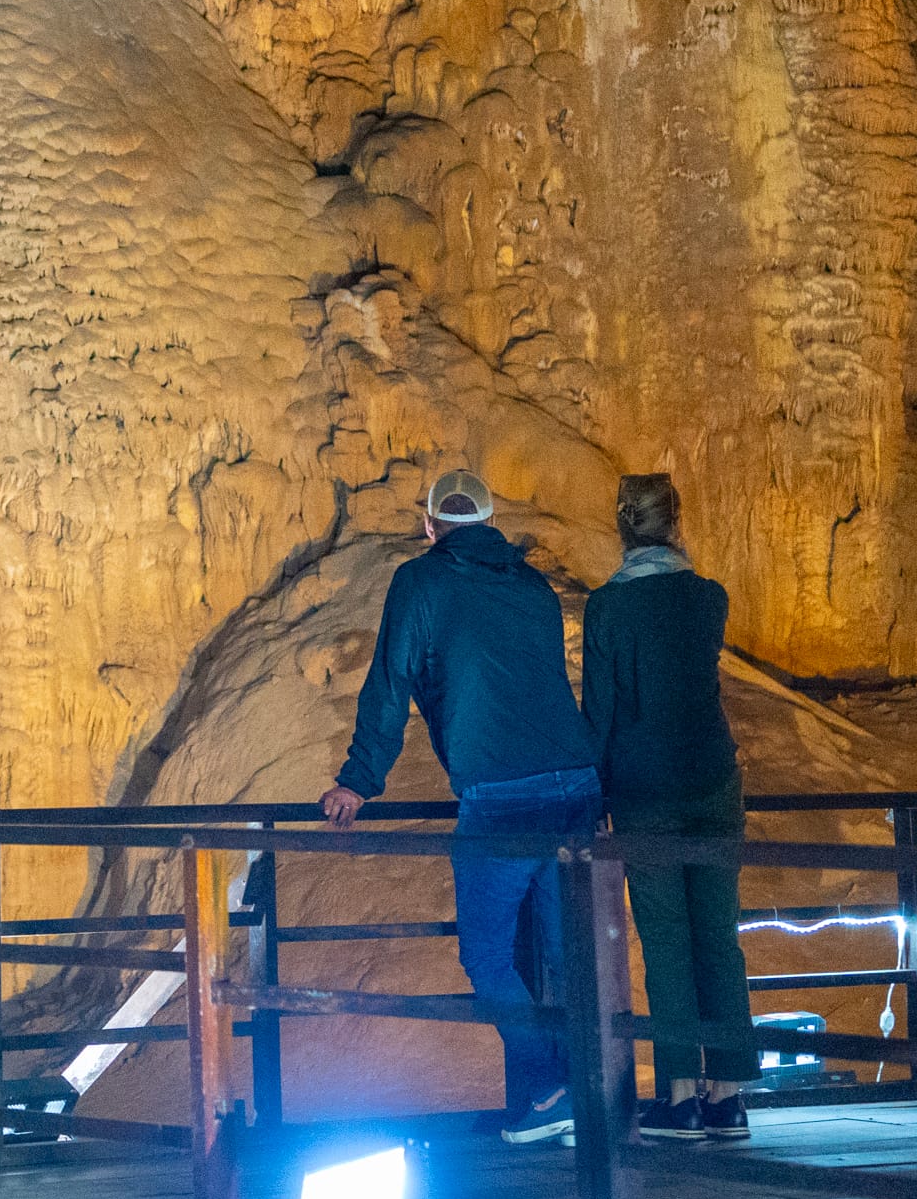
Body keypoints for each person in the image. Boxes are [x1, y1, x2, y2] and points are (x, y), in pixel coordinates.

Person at [320, 468, 602, 1145]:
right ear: (489, 522)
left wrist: (358, 780)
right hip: (576, 788)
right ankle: (593, 1090)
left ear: (430, 527)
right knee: (573, 953)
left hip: (502, 799)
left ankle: (547, 1085)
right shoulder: (533, 586)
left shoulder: (422, 581)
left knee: (485, 955)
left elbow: (391, 683)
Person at [584, 473, 755, 1142]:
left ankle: (680, 1097)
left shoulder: (607, 609)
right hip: (714, 779)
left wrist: (595, 791)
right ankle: (731, 1097)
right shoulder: (708, 599)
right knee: (719, 936)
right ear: (675, 523)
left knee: (666, 941)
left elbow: (600, 711)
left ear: (623, 527)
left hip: (644, 789)